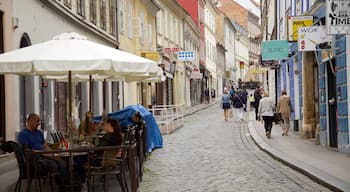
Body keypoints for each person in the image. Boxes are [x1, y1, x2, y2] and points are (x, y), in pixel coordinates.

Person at [18, 113, 67, 192]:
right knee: (53, 165)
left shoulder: (39, 133)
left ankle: (61, 186)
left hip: (44, 155)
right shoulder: (23, 134)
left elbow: (45, 146)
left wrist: (52, 154)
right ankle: (58, 187)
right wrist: (46, 155)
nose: (39, 124)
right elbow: (27, 151)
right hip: (34, 159)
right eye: (37, 121)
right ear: (30, 121)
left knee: (62, 162)